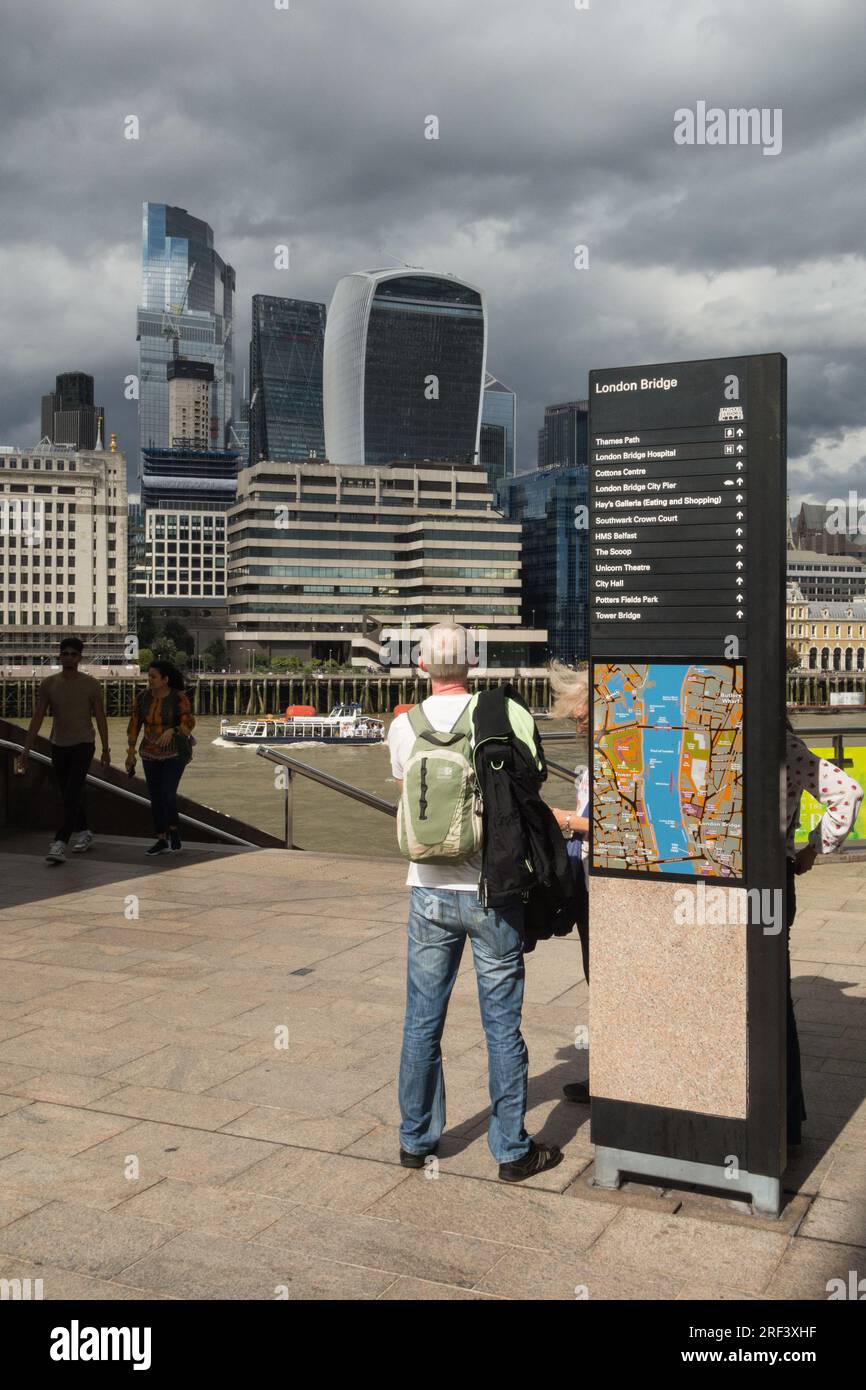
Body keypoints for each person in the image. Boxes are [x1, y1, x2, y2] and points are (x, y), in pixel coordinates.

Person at [388, 621, 562, 1183]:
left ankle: (416, 1141)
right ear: (473, 665)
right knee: (501, 1025)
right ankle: (511, 1151)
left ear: (421, 667)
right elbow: (533, 780)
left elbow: (409, 797)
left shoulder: (402, 726)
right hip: (493, 889)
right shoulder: (502, 713)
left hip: (428, 892)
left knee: (422, 1020)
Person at [785, 717, 863, 1145]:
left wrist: (815, 846)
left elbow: (849, 792)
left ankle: (783, 1115)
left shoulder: (779, 745)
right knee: (773, 998)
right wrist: (814, 845)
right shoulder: (784, 742)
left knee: (771, 1000)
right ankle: (785, 1116)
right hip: (774, 878)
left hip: (753, 879)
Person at [20, 636, 110, 865]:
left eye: (74, 654)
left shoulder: (91, 685)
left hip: (83, 744)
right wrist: (26, 749)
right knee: (68, 793)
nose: (69, 657)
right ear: (59, 655)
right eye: (65, 653)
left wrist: (106, 749)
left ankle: (60, 842)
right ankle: (85, 832)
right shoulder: (49, 684)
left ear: (80, 658)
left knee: (71, 792)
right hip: (58, 744)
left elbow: (100, 717)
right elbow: (38, 716)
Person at [546, 662, 593, 1104]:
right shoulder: (595, 759)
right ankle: (608, 1070)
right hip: (583, 877)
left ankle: (613, 1075)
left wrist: (563, 820)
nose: (578, 725)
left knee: (604, 975)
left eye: (582, 716)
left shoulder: (618, 755)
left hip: (600, 881)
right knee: (594, 975)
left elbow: (616, 822)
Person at [126, 661, 196, 857]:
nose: (149, 680)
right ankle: (161, 839)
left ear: (165, 679)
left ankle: (174, 830)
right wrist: (130, 753)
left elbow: (189, 720)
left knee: (167, 793)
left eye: (153, 677)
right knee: (155, 797)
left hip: (175, 752)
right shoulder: (142, 698)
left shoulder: (178, 698)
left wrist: (173, 731)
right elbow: (134, 724)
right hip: (149, 751)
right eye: (148, 676)